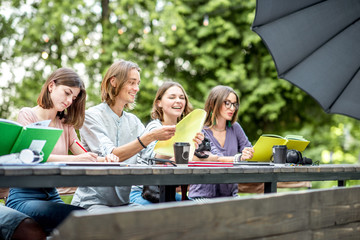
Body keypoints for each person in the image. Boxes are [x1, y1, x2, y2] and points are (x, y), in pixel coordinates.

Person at [71, 60, 180, 212]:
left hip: (122, 203)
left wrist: (181, 140)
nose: (137, 88)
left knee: (154, 223)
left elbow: (153, 157)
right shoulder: (91, 116)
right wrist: (150, 137)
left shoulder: (134, 121)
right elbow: (112, 156)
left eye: (138, 83)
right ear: (114, 82)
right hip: (92, 203)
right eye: (132, 82)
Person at [5, 68, 98, 234]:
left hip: (51, 194)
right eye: (67, 93)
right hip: (24, 196)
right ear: (51, 86)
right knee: (81, 217)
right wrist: (78, 159)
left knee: (86, 220)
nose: (69, 101)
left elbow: (82, 153)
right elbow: (33, 157)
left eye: (74, 97)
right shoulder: (28, 115)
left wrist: (102, 159)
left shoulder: (65, 123)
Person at [130, 81, 202, 205]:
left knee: (198, 210)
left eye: (182, 97)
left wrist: (193, 146)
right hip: (143, 192)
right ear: (159, 103)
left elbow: (181, 164)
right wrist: (180, 143)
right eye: (172, 97)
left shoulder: (184, 130)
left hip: (167, 191)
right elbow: (155, 158)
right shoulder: (155, 127)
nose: (178, 101)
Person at [189, 85, 254, 199]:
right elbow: (215, 158)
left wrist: (249, 153)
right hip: (202, 196)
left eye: (234, 104)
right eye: (227, 103)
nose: (232, 108)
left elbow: (248, 150)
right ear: (214, 104)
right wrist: (239, 158)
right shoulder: (201, 130)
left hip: (230, 195)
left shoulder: (235, 128)